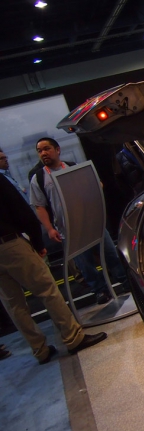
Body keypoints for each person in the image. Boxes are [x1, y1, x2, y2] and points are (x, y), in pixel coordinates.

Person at [0, 174, 107, 364]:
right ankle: (73, 338)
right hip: (9, 243)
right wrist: (37, 241)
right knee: (46, 289)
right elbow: (20, 210)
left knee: (14, 304)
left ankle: (40, 350)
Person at [30, 137, 127, 304]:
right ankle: (100, 290)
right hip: (68, 228)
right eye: (40, 151)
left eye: (46, 149)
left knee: (110, 254)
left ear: (57, 150)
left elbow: (96, 185)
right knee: (84, 264)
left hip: (91, 221)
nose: (43, 153)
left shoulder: (72, 167)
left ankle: (125, 281)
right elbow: (40, 206)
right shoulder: (38, 178)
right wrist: (49, 228)